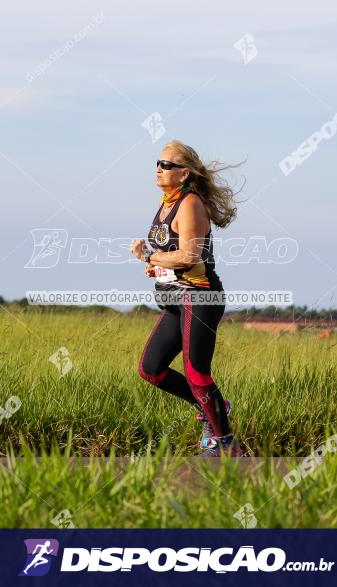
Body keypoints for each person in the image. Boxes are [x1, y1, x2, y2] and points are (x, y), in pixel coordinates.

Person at [131, 140, 241, 457]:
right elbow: (170, 259)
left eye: (166, 165)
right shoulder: (166, 203)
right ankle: (214, 407)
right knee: (151, 369)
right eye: (158, 162)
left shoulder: (189, 203)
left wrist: (151, 258)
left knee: (196, 373)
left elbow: (190, 255)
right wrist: (154, 268)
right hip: (176, 299)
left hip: (200, 297)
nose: (158, 168)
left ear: (183, 174)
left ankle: (225, 445)